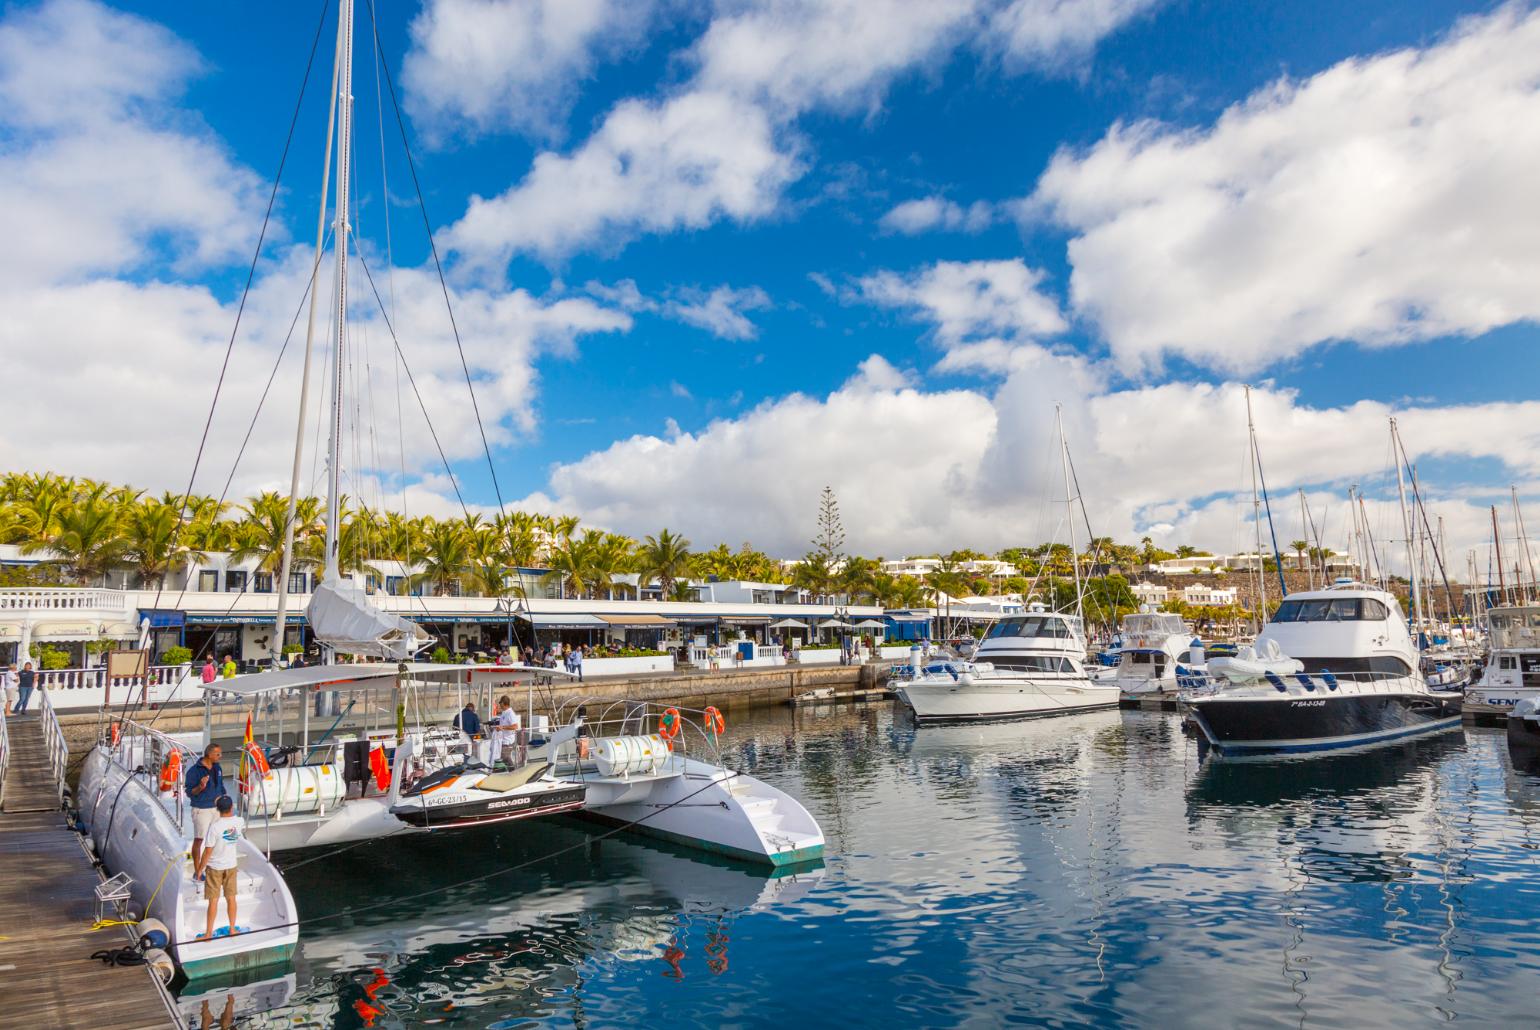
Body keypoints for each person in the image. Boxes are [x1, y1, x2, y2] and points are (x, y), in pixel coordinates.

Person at [195, 795, 243, 940]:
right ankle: (233, 929)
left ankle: (208, 934)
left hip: (215, 868)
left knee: (213, 901)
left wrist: (200, 870)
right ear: (231, 807)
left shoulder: (215, 827)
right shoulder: (239, 822)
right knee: (231, 899)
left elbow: (207, 851)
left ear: (217, 810)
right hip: (231, 866)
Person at [185, 743, 226, 873]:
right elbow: (189, 792)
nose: (220, 756)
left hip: (217, 809)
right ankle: (198, 871)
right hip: (201, 810)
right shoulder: (194, 771)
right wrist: (200, 787)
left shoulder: (218, 768)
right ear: (209, 754)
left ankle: (214, 867)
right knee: (199, 839)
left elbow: (221, 786)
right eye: (218, 754)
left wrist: (224, 799)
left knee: (217, 837)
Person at [490, 695, 521, 767]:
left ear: (504, 703)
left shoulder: (510, 714)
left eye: (500, 703)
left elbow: (515, 726)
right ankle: (509, 771)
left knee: (505, 757)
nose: (499, 705)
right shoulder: (504, 712)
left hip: (508, 741)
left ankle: (513, 771)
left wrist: (502, 728)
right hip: (502, 740)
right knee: (502, 757)